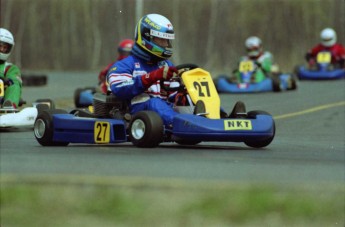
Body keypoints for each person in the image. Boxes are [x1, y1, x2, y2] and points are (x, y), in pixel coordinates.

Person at [106, 14, 181, 128]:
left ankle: (209, 120)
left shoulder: (167, 65)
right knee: (154, 102)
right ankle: (181, 125)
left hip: (164, 111)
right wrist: (151, 77)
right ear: (147, 38)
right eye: (161, 40)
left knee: (188, 99)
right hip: (134, 112)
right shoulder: (125, 65)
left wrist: (182, 94)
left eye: (167, 40)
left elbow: (173, 95)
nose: (166, 44)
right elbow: (119, 88)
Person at [0, 28, 22, 108]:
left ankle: (9, 108)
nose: (2, 49)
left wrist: (5, 80)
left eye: (5, 47)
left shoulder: (10, 68)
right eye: (0, 46)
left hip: (2, 99)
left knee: (14, 85)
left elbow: (15, 80)